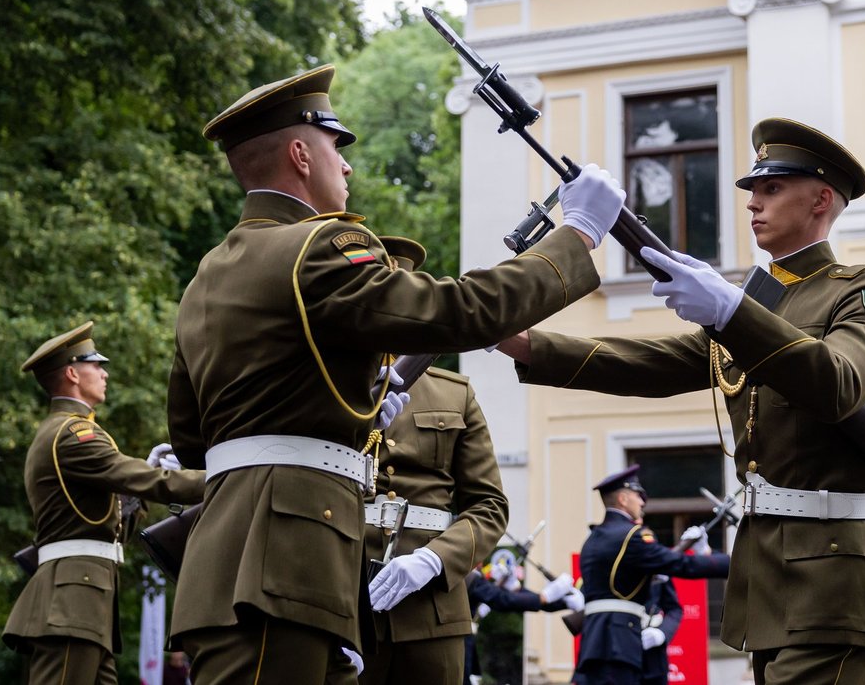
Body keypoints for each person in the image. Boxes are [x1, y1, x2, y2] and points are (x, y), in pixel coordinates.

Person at [167, 63, 626, 685]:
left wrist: (346, 417)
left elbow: (194, 436)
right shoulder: (318, 246)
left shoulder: (208, 275)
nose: (347, 166)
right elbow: (454, 313)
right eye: (337, 146)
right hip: (287, 560)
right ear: (301, 154)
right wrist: (577, 236)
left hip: (241, 554)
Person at [498, 118, 865, 684]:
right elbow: (651, 363)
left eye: (771, 189)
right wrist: (525, 344)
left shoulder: (864, 292)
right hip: (766, 576)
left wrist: (732, 313)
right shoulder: (755, 301)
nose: (752, 203)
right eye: (752, 191)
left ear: (821, 199)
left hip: (833, 577)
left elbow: (838, 383)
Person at [356, 237, 525, 685]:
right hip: (342, 599)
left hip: (432, 607)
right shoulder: (328, 384)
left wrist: (433, 560)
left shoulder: (455, 392)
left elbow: (489, 507)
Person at [2, 322, 205, 684]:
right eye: (95, 364)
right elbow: (152, 481)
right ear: (71, 373)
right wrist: (227, 477)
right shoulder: (73, 433)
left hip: (84, 601)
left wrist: (140, 484)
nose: (104, 373)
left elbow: (110, 523)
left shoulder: (67, 431)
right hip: (71, 601)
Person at [571, 466, 728, 685]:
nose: (643, 503)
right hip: (619, 642)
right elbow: (681, 564)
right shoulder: (630, 537)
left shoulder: (593, 539)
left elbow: (621, 581)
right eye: (638, 496)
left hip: (596, 640)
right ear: (624, 499)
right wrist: (727, 561)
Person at [464, 557, 582, 685]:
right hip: (460, 645)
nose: (481, 562)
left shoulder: (470, 575)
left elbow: (511, 597)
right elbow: (503, 599)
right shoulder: (468, 575)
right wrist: (546, 595)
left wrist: (560, 602)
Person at [639, 574, 683, 685]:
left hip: (653, 653)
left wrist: (661, 633)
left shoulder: (656, 562)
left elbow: (674, 608)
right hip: (619, 648)